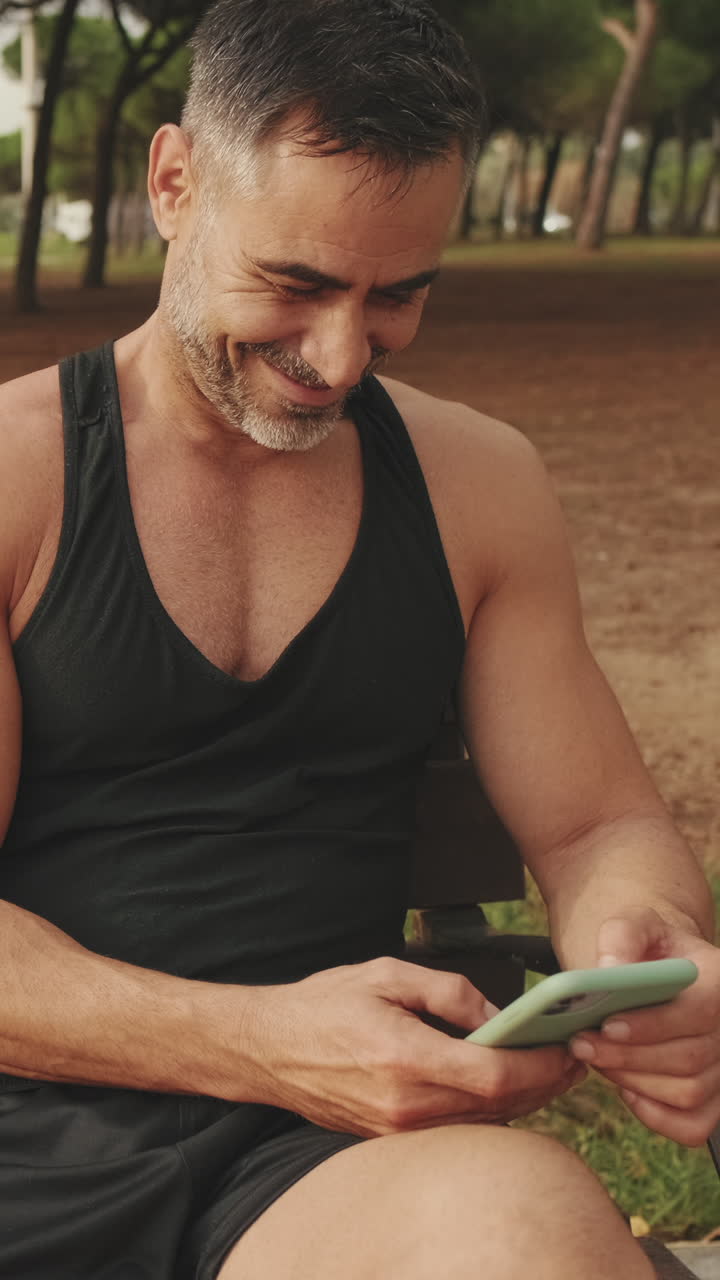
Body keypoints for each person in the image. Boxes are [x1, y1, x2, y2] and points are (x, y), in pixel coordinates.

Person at [0, 1, 717, 1276]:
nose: (340, 357)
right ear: (174, 181)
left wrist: (638, 937)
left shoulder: (478, 485)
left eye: (399, 295)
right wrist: (265, 1039)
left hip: (323, 1168)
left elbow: (599, 826)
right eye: (297, 283)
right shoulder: (15, 482)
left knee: (525, 1224)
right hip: (29, 1135)